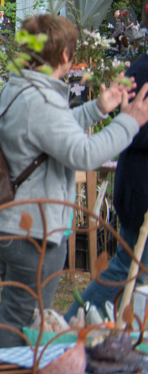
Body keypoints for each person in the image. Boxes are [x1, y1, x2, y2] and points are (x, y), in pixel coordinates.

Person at [0, 14, 148, 348]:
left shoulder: (21, 88)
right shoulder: (40, 100)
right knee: (20, 321)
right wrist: (129, 123)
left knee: (20, 315)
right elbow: (84, 154)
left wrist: (97, 109)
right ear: (63, 56)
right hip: (29, 230)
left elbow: (47, 133)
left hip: (10, 221)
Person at [66, 51, 148, 320]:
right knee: (128, 268)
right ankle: (67, 330)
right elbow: (132, 129)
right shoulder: (143, 71)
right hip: (140, 191)